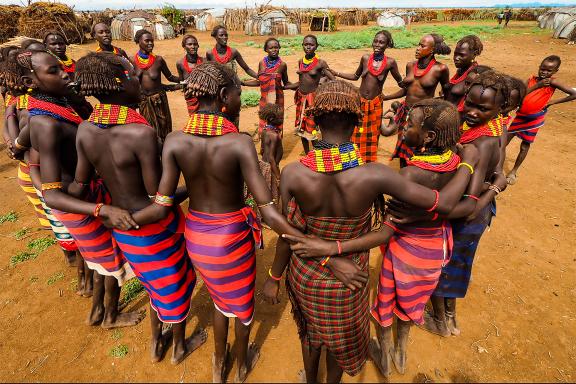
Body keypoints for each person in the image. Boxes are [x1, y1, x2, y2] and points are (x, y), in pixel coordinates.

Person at [262, 80, 478, 383]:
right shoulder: (376, 174)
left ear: (314, 120)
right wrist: (469, 165)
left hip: (306, 271)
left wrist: (273, 277)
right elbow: (443, 204)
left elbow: (287, 233)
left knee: (311, 332)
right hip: (352, 276)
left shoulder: (295, 173)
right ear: (356, 122)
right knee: (340, 340)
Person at [130, 62, 311, 383]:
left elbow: (162, 203)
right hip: (231, 237)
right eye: (240, 93)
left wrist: (114, 215)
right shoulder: (238, 142)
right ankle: (240, 366)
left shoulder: (174, 140)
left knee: (218, 296)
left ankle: (217, 365)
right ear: (225, 95)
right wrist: (300, 237)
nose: (242, 99)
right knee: (240, 308)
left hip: (196, 236)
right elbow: (267, 210)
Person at [73, 52, 207, 364]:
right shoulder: (140, 133)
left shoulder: (86, 129)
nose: (140, 80)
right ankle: (178, 347)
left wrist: (103, 213)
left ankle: (154, 343)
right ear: (119, 83)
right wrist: (198, 189)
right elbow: (159, 201)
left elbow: (81, 184)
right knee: (175, 286)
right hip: (153, 228)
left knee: (153, 286)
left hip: (122, 229)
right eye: (134, 76)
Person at [13, 49, 142, 328]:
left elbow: (30, 154)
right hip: (78, 204)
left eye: (62, 68)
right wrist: (101, 208)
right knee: (109, 262)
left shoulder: (55, 108)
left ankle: (99, 312)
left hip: (83, 196)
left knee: (101, 262)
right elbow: (51, 194)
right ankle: (109, 316)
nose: (64, 74)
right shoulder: (45, 122)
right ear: (29, 81)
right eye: (53, 71)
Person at [422, 71, 509, 337]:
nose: (472, 112)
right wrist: (496, 183)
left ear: (499, 109)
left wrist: (492, 188)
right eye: (470, 103)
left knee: (441, 265)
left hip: (468, 214)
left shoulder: (480, 144)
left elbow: (469, 201)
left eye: (483, 108)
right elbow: (497, 170)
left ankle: (439, 321)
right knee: (458, 264)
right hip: (479, 210)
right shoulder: (496, 129)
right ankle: (449, 315)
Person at [330, 30, 402, 162]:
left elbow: (401, 83)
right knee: (355, 130)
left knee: (373, 133)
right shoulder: (365, 58)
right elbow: (355, 76)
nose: (377, 45)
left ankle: (369, 161)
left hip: (375, 103)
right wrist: (337, 73)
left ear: (387, 45)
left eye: (382, 42)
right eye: (375, 41)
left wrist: (389, 97)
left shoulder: (390, 63)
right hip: (360, 101)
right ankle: (353, 158)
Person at [381, 34, 451, 165]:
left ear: (432, 50)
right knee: (403, 142)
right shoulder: (410, 65)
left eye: (422, 46)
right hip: (406, 111)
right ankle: (403, 171)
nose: (417, 48)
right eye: (418, 44)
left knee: (419, 144)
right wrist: (386, 97)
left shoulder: (440, 69)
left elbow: (447, 91)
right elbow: (407, 90)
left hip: (423, 115)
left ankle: (416, 173)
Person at [506, 55, 576, 185]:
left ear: (555, 71)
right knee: (504, 141)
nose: (544, 72)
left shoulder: (553, 82)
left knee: (525, 146)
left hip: (534, 119)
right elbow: (522, 94)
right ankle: (495, 166)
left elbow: (574, 94)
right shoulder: (531, 80)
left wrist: (553, 102)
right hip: (520, 116)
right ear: (539, 67)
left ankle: (513, 171)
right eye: (542, 69)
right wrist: (537, 85)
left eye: (549, 71)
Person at [286, 35, 334, 154]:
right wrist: (284, 86)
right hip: (301, 99)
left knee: (312, 128)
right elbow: (301, 82)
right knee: (302, 127)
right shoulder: (300, 62)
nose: (308, 47)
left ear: (316, 46)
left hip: (313, 99)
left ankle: (317, 154)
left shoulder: (321, 63)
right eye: (305, 44)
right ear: (302, 45)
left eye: (311, 45)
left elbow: (333, 79)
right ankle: (308, 154)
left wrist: (321, 89)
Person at [133, 29, 180, 143]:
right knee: (149, 129)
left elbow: (170, 78)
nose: (150, 43)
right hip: (144, 102)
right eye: (147, 41)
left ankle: (165, 153)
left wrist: (185, 80)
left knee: (164, 126)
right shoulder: (131, 61)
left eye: (152, 41)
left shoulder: (158, 60)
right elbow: (130, 82)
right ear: (138, 41)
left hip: (159, 100)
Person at [243, 37, 290, 136]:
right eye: (271, 48)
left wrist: (300, 85)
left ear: (279, 48)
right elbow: (259, 81)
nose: (274, 50)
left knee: (277, 125)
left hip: (278, 100)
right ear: (266, 50)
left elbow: (286, 84)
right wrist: (243, 83)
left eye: (276, 47)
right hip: (264, 99)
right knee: (264, 123)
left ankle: (277, 147)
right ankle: (264, 147)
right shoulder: (262, 63)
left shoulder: (282, 65)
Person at [444, 35, 483, 107]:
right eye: (455, 54)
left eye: (461, 55)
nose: (456, 58)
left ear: (474, 54)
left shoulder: (474, 76)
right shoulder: (461, 70)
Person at [257, 103, 283, 208]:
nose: (282, 119)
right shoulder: (274, 135)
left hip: (264, 165)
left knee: (266, 191)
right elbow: (272, 157)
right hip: (271, 168)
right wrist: (278, 177)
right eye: (280, 117)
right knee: (274, 193)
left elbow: (262, 151)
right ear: (272, 118)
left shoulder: (264, 131)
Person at [176, 34, 203, 115]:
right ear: (184, 47)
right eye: (189, 44)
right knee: (194, 123)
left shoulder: (204, 61)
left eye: (195, 44)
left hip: (205, 99)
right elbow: (182, 82)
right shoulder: (180, 64)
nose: (193, 46)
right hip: (191, 100)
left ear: (198, 46)